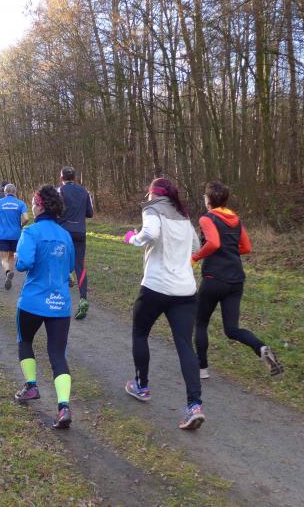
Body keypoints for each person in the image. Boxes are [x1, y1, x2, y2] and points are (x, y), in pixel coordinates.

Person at [122, 178, 204, 430]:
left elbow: (150, 234)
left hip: (156, 287)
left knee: (140, 333)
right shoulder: (183, 215)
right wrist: (179, 263)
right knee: (185, 345)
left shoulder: (152, 209)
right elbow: (196, 247)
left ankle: (141, 386)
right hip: (185, 290)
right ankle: (194, 406)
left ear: (153, 194)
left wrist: (132, 238)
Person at [192, 181, 283, 379]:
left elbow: (213, 243)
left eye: (205, 197)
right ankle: (261, 348)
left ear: (208, 200)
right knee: (232, 329)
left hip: (214, 279)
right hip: (235, 281)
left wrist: (195, 257)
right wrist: (229, 251)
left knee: (200, 322)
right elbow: (246, 247)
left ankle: (202, 369)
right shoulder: (235, 219)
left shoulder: (207, 218)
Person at [13, 185, 75, 429]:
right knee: (57, 354)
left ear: (39, 206)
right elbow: (70, 267)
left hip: (32, 302)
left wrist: (18, 258)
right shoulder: (66, 235)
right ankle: (63, 407)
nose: (31, 206)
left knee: (25, 341)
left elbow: (24, 263)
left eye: (33, 202)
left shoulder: (30, 232)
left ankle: (31, 387)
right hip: (60, 304)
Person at [57, 166, 94, 320]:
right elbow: (90, 213)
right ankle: (83, 298)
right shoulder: (85, 191)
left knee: (60, 261)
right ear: (75, 178)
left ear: (61, 178)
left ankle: (59, 301)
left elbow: (55, 211)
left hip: (63, 232)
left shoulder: (59, 191)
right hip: (80, 231)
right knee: (80, 265)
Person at [0, 183, 29, 290]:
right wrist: (21, 225)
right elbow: (26, 218)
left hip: (3, 235)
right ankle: (10, 275)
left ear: (5, 192)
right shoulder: (20, 203)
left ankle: (7, 272)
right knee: (11, 256)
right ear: (15, 192)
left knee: (4, 258)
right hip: (16, 235)